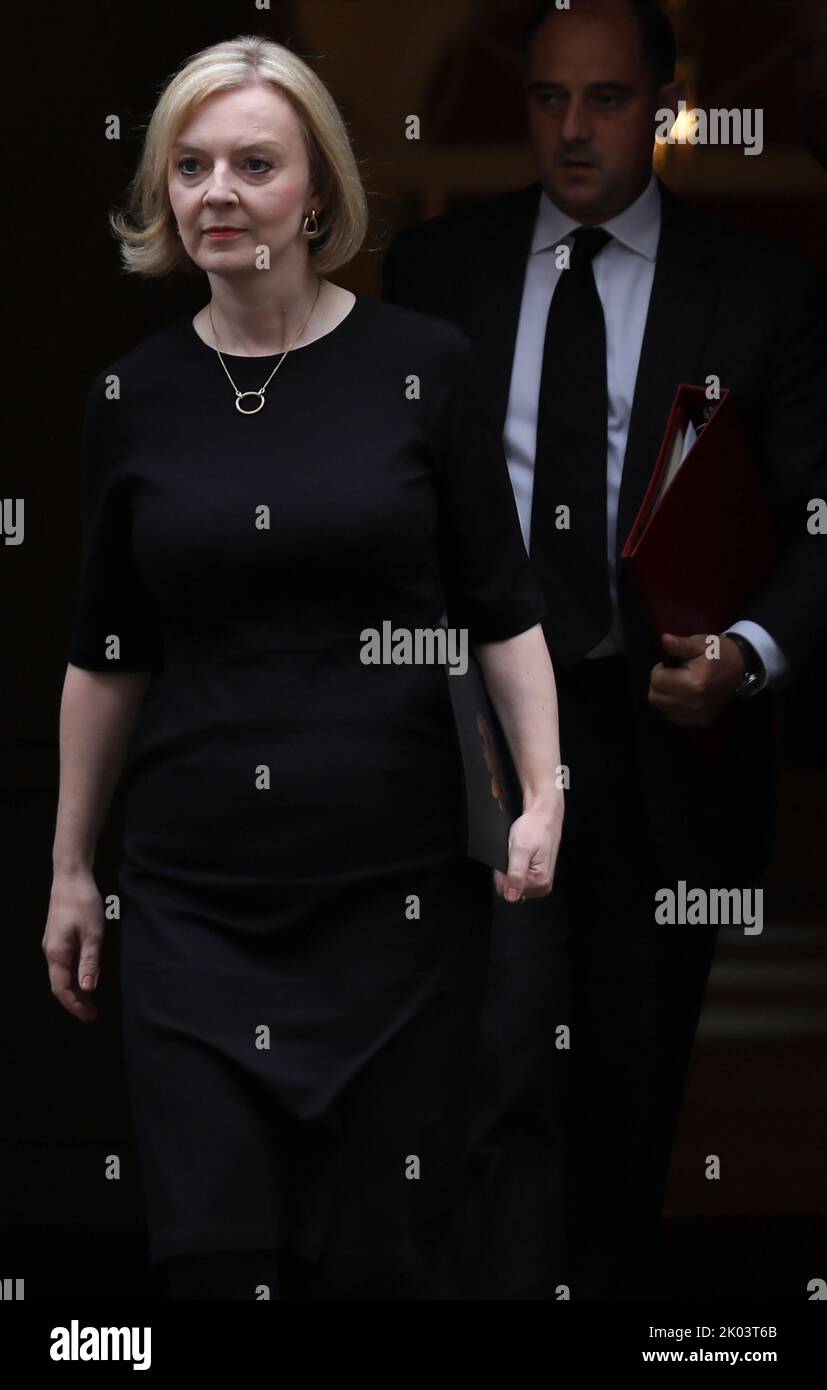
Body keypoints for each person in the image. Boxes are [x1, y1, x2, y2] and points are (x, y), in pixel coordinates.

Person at [43, 33, 565, 1301]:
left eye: (253, 164)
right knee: (216, 1261)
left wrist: (544, 792)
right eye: (190, 166)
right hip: (193, 906)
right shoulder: (136, 394)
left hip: (397, 906)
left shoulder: (421, 366)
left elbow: (500, 608)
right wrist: (68, 866)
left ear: (315, 192)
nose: (214, 192)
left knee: (381, 1258)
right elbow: (107, 652)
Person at [383, 0, 827, 1298]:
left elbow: (815, 515)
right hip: (486, 742)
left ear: (664, 104)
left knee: (629, 1095)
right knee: (494, 1066)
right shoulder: (436, 273)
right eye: (544, 98)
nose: (571, 130)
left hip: (663, 739)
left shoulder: (758, 292)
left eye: (607, 98)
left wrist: (744, 654)